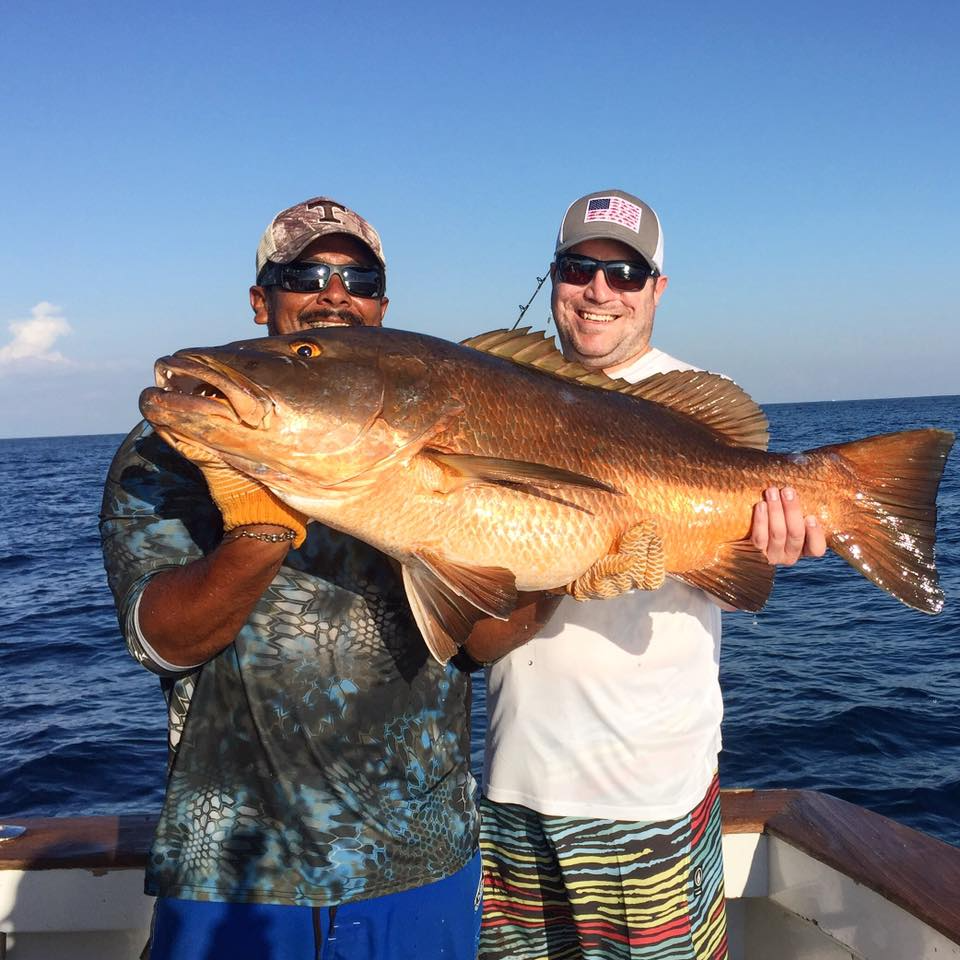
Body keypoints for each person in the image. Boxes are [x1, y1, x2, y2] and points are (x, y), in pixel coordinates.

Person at [100, 197, 482, 960]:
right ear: (261, 298)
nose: (335, 293)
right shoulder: (169, 451)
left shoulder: (439, 447)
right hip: (237, 878)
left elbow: (489, 641)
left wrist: (565, 570)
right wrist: (258, 530)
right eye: (306, 272)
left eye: (360, 278)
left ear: (382, 306)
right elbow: (162, 641)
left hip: (424, 862)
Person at [470, 190, 826, 960]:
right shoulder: (499, 391)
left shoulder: (690, 402)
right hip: (512, 789)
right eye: (579, 268)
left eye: (625, 274)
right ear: (554, 278)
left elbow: (737, 562)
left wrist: (771, 541)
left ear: (657, 288)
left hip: (647, 800)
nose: (600, 291)